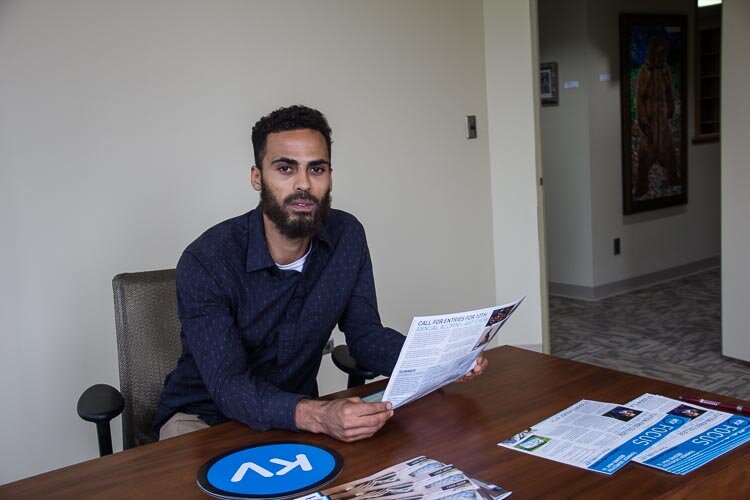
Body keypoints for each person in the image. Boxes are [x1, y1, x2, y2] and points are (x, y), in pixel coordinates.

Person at [155, 105, 487, 442]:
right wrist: (319, 416)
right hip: (204, 417)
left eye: (317, 169)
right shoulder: (207, 260)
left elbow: (366, 338)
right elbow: (229, 386)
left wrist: (439, 361)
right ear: (257, 177)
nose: (303, 184)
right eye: (285, 168)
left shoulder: (347, 235)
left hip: (296, 414)